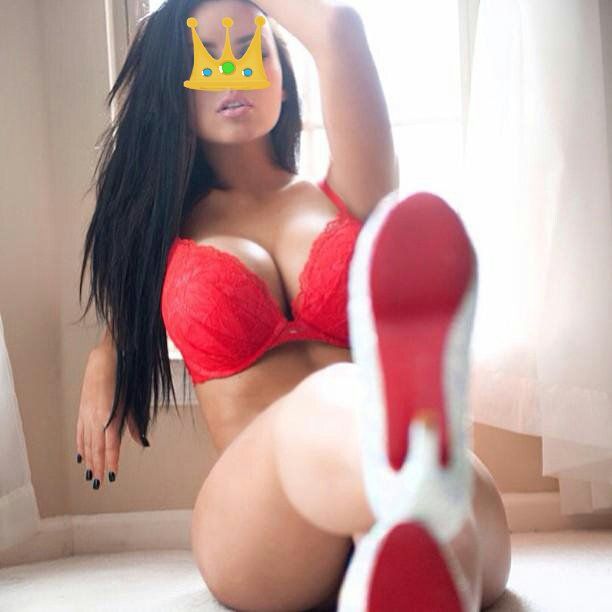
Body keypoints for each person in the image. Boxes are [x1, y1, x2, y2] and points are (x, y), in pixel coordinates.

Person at [75, 0, 511, 610]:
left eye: (253, 52)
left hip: (413, 495)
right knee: (340, 393)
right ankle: (408, 484)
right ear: (175, 83)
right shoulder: (159, 235)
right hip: (263, 525)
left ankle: (407, 548)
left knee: (424, 493)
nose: (233, 75)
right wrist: (107, 350)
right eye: (207, 56)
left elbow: (339, 28)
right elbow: (130, 301)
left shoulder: (352, 193)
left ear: (284, 77)